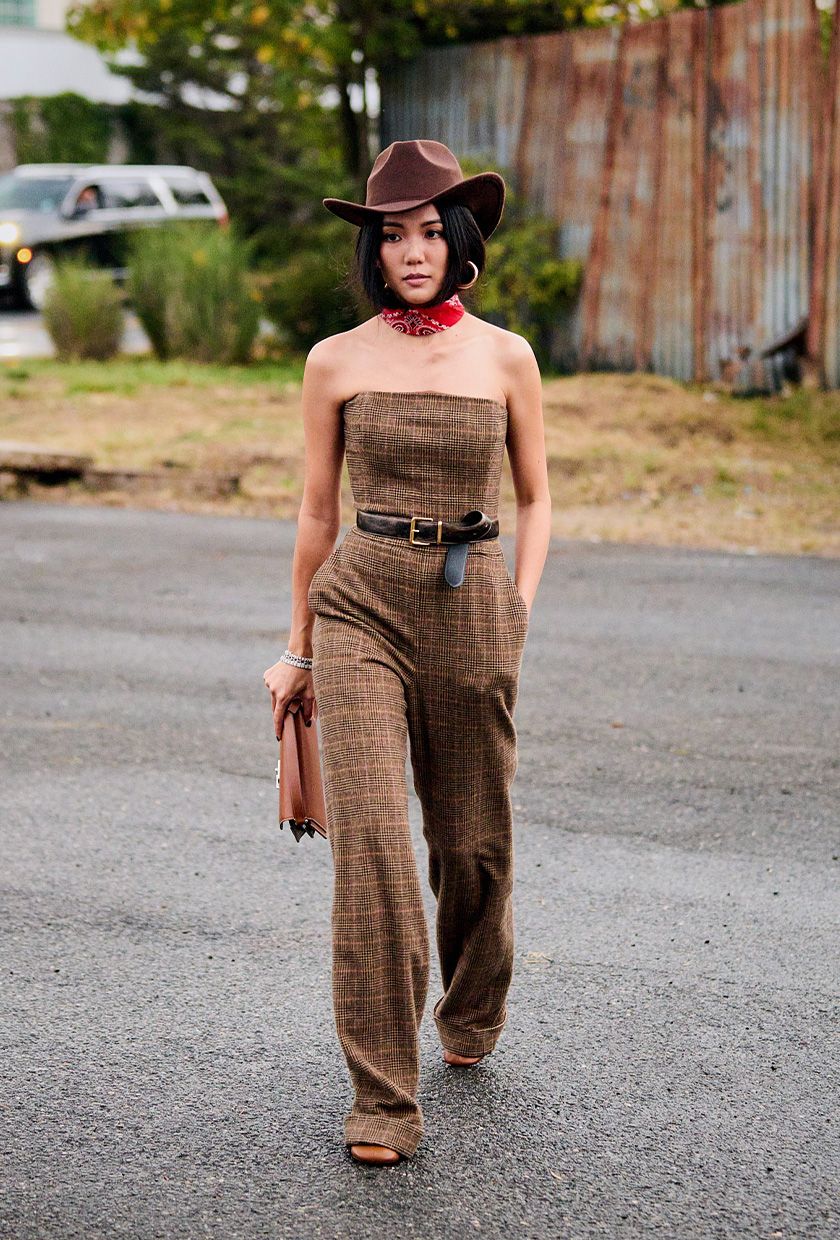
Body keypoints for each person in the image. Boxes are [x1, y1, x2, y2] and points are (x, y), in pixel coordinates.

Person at [263, 139, 551, 1166]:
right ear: (374, 250)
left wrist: (515, 608)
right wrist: (295, 648)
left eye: (431, 231)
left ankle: (472, 1003)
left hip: (472, 600)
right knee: (376, 848)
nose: (413, 250)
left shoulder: (505, 355)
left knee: (471, 845)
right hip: (361, 603)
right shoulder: (334, 359)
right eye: (394, 235)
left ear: (460, 238)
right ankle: (382, 1096)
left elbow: (537, 496)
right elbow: (311, 511)